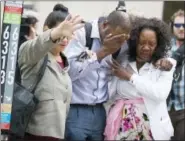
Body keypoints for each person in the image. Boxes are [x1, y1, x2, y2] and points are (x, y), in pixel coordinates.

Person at [17, 5, 84, 140]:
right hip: (32, 134)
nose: (65, 39)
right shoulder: (33, 54)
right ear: (46, 28)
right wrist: (56, 33)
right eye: (62, 34)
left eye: (68, 35)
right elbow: (38, 45)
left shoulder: (65, 62)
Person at [104, 17, 176, 140]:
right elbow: (111, 93)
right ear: (134, 42)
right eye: (141, 43)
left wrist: (130, 76)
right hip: (122, 127)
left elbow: (160, 94)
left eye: (151, 44)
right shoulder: (123, 61)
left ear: (158, 45)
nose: (146, 47)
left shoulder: (166, 65)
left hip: (152, 129)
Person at [64, 11, 132, 141]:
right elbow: (69, 72)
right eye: (115, 37)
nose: (118, 42)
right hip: (77, 109)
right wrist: (103, 51)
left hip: (101, 111)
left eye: (121, 40)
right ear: (105, 25)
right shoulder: (82, 33)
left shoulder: (122, 44)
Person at [167, 9, 185, 140]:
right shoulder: (164, 49)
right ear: (172, 26)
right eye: (178, 25)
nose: (181, 28)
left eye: (184, 25)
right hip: (165, 108)